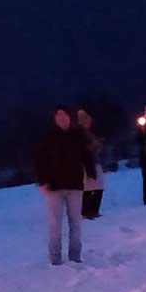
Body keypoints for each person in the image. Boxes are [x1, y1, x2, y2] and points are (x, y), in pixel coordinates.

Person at [35, 106, 97, 265]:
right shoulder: (49, 137)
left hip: (74, 185)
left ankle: (75, 256)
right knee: (55, 224)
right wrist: (42, 181)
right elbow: (40, 161)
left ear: (69, 117)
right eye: (59, 116)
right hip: (54, 187)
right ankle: (55, 258)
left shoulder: (78, 135)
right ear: (55, 119)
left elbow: (87, 155)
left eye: (64, 115)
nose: (62, 119)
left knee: (75, 222)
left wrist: (91, 173)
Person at [77, 109, 105, 219]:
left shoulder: (89, 133)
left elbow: (93, 148)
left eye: (88, 121)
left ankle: (93, 210)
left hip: (95, 162)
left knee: (99, 187)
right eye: (85, 121)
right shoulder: (79, 135)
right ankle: (86, 212)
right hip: (86, 164)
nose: (88, 123)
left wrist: (97, 144)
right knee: (88, 188)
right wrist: (93, 146)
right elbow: (82, 150)